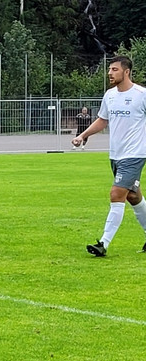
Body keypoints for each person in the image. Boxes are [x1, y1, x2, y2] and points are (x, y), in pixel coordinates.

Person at [72, 56, 146, 256]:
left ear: (126, 71)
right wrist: (82, 135)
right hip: (116, 155)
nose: (110, 73)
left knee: (116, 194)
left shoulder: (141, 94)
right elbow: (102, 120)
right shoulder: (110, 95)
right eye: (109, 69)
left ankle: (103, 244)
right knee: (132, 195)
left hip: (135, 155)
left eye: (114, 69)